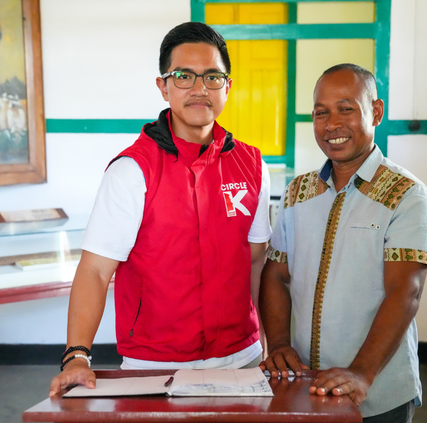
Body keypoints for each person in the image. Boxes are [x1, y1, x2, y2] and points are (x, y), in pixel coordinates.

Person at [49, 22, 272, 396]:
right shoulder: (132, 171)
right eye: (184, 76)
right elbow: (95, 271)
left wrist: (268, 344)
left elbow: (256, 261)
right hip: (154, 366)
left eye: (213, 77)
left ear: (228, 87)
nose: (200, 89)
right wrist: (76, 355)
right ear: (163, 86)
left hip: (240, 359)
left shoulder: (252, 164)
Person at [259, 63, 427, 422]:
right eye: (321, 112)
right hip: (305, 386)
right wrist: (278, 344)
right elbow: (276, 275)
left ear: (375, 111)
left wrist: (362, 373)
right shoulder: (298, 192)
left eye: (346, 108)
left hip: (376, 394)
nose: (332, 124)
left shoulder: (406, 195)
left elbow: (406, 292)